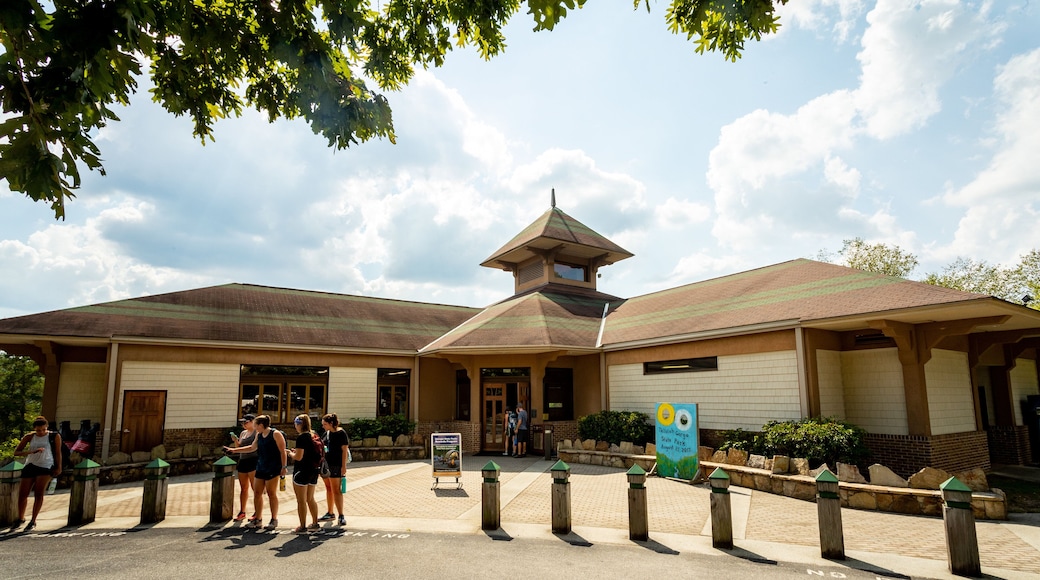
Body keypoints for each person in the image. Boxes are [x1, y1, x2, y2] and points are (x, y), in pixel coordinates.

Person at [224, 414, 285, 530]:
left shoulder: (275, 434)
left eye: (256, 425)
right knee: (257, 493)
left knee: (272, 493)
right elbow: (252, 448)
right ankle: (258, 518)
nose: (255, 427)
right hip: (260, 466)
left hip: (273, 467)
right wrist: (233, 450)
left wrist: (284, 467)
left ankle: (274, 519)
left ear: (261, 425)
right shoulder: (259, 435)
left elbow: (282, 451)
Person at [13, 416, 62, 531]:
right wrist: (31, 451)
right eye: (38, 430)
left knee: (39, 494)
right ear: (34, 429)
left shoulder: (54, 436)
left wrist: (59, 467)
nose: (41, 432)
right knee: (23, 494)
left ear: (47, 427)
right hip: (30, 465)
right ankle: (20, 518)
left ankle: (33, 520)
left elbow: (58, 452)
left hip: (45, 466)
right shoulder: (29, 437)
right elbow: (17, 452)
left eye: (43, 430)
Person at [286, 414, 321, 533]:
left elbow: (299, 457)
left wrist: (290, 454)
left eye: (296, 424)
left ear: (299, 424)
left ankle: (302, 526)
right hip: (314, 470)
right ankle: (315, 523)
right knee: (310, 498)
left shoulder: (301, 438)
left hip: (302, 471)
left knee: (301, 500)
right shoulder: (314, 435)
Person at [319, 413, 350, 526]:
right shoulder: (326, 434)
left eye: (325, 424)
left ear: (331, 423)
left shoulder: (341, 433)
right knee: (328, 488)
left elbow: (344, 451)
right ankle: (330, 512)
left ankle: (341, 515)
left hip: (336, 465)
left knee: (336, 490)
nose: (323, 426)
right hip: (326, 465)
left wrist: (343, 466)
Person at [230, 414, 258, 521]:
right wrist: (235, 441)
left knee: (255, 487)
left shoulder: (256, 433)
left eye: (245, 422)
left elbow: (252, 448)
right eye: (242, 422)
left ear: (252, 422)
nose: (244, 424)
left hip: (253, 460)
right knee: (243, 488)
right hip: (243, 461)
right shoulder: (243, 433)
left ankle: (257, 511)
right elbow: (239, 447)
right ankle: (242, 511)